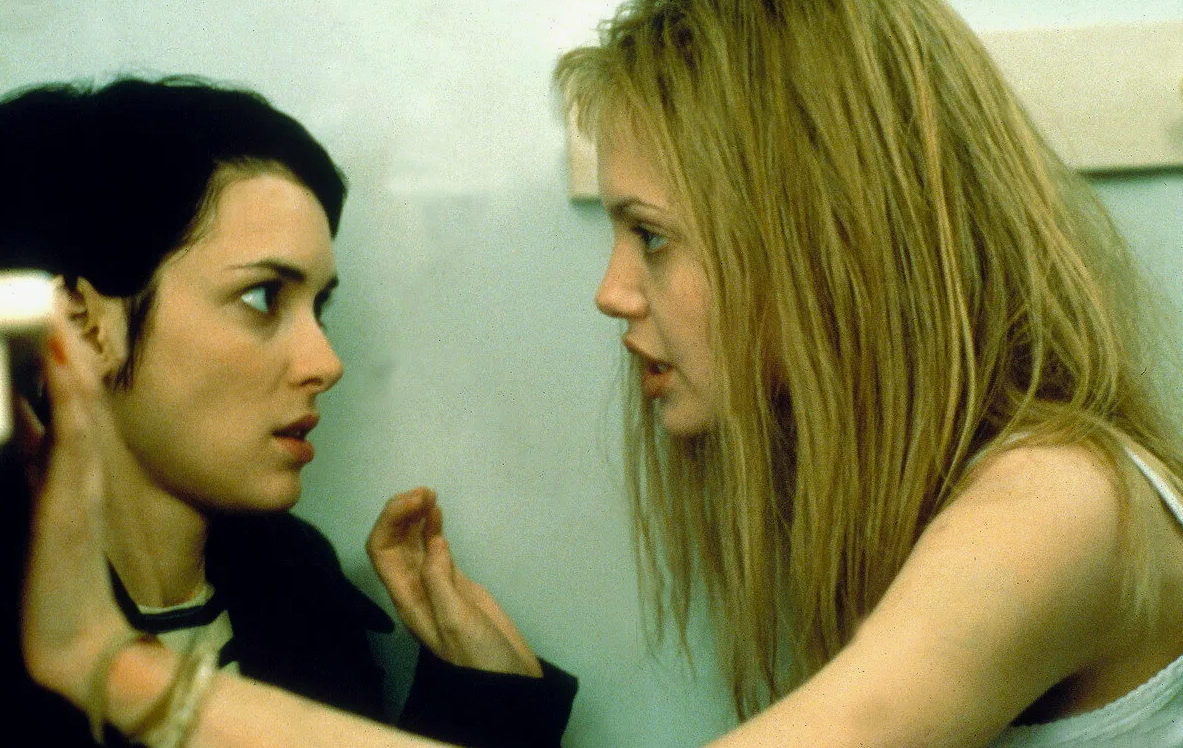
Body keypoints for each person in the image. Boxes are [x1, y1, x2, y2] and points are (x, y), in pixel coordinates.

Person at [17, 0, 1183, 746]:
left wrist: (122, 674)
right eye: (262, 298)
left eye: (651, 234)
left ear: (819, 236)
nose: (612, 289)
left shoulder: (1057, 505)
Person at [0, 76, 575, 748]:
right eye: (263, 296)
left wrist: (487, 699)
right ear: (80, 325)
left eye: (319, 306)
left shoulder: (303, 592)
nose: (325, 362)